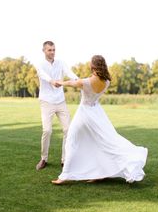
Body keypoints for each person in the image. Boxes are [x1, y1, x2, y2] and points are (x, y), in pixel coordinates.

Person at [51, 55, 148, 184]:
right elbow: (78, 81)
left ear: (93, 66)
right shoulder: (107, 82)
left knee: (71, 140)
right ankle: (100, 174)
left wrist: (59, 82)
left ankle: (64, 176)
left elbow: (71, 83)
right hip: (97, 112)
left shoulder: (86, 82)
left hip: (85, 113)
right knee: (103, 142)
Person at [35, 41, 78, 171]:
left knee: (68, 130)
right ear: (44, 51)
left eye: (54, 50)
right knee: (47, 130)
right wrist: (52, 81)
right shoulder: (40, 64)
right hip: (46, 102)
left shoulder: (60, 62)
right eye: (49, 50)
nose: (52, 52)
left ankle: (65, 160)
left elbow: (69, 73)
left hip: (60, 101)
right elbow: (43, 75)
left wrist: (79, 80)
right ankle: (44, 159)